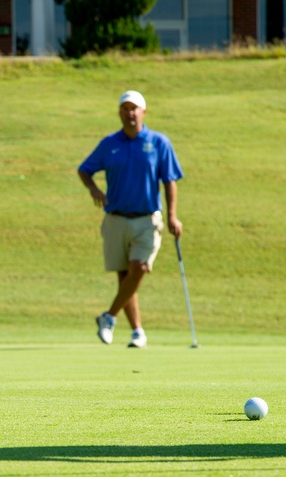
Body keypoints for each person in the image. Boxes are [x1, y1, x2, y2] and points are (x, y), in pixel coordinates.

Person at [78, 90, 184, 349]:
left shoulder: (159, 143)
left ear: (143, 112)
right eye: (125, 108)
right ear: (120, 113)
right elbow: (85, 170)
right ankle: (137, 331)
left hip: (147, 219)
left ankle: (109, 317)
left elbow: (170, 180)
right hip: (115, 218)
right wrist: (94, 189)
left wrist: (172, 215)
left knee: (139, 267)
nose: (130, 113)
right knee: (125, 277)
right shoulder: (109, 143)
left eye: (134, 108)